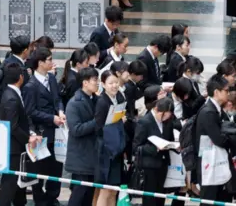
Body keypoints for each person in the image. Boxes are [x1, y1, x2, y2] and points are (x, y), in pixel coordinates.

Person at [21, 47, 65, 205]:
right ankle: (40, 200)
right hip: (41, 133)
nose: (52, 63)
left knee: (56, 167)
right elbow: (30, 111)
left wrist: (60, 111)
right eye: (49, 60)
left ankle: (53, 196)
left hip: (57, 132)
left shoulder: (51, 78)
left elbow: (58, 98)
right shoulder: (30, 86)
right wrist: (51, 118)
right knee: (39, 169)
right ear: (40, 63)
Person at [0, 62, 41, 206]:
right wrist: (28, 138)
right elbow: (13, 126)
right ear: (20, 77)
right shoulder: (11, 98)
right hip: (13, 148)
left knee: (17, 182)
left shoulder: (12, 93)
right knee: (9, 183)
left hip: (17, 146)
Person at [65, 68, 100, 206]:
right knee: (79, 193)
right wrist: (97, 122)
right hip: (81, 155)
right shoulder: (74, 103)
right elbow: (76, 129)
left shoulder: (96, 99)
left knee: (89, 194)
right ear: (85, 83)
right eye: (94, 80)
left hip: (93, 154)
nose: (97, 83)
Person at [133, 97, 176, 206]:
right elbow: (136, 147)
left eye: (168, 116)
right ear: (157, 109)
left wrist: (174, 146)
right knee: (150, 198)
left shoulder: (167, 122)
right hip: (149, 165)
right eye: (163, 115)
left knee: (161, 196)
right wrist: (155, 148)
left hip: (163, 163)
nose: (165, 118)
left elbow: (169, 138)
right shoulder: (145, 122)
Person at [195, 75, 231, 201]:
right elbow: (219, 139)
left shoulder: (216, 109)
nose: (229, 93)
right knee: (209, 199)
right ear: (216, 92)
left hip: (216, 161)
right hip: (208, 164)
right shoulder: (208, 112)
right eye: (226, 91)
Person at [94, 73, 127, 206]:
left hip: (116, 148)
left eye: (116, 82)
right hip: (106, 150)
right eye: (110, 83)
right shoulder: (102, 101)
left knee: (113, 190)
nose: (114, 86)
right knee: (106, 189)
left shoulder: (118, 98)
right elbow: (98, 126)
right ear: (103, 85)